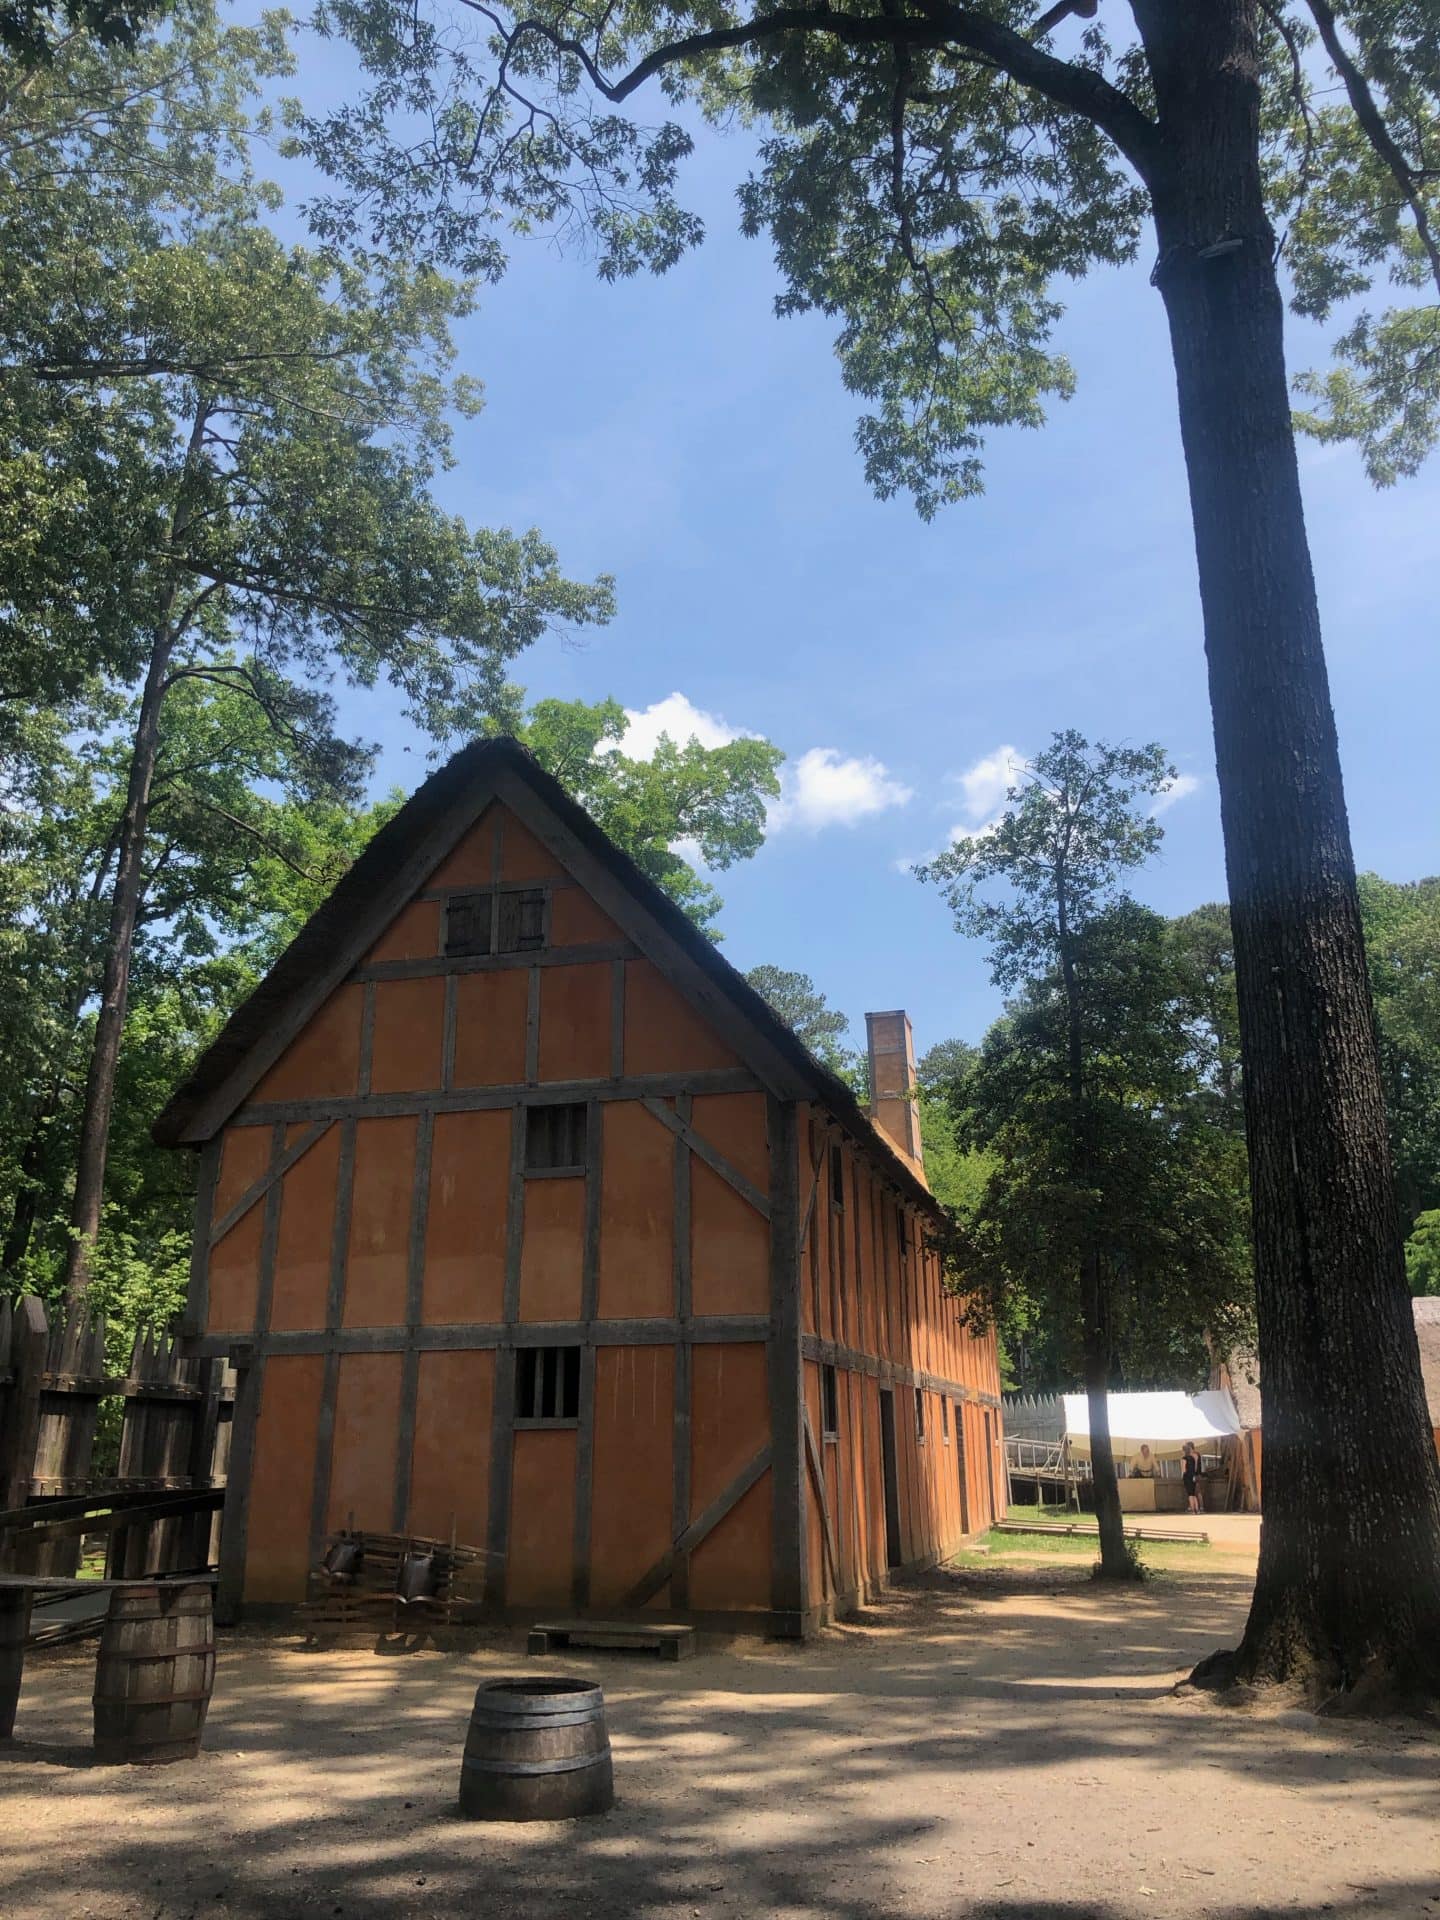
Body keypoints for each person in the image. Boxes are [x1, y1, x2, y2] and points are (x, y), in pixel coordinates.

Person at [1181, 1441, 1202, 1514]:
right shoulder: (1193, 1458)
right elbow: (1195, 1468)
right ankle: (1197, 1509)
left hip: (1187, 1477)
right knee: (1194, 1494)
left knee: (1190, 1494)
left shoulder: (1184, 1458)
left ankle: (1192, 1510)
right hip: (1193, 1476)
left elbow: (1183, 1469)